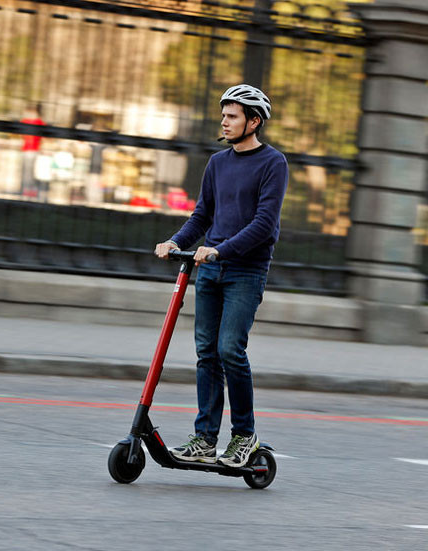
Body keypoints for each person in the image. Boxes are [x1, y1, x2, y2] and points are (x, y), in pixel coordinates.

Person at [154, 84, 288, 468]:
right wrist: (176, 240)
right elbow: (203, 214)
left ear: (254, 121)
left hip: (245, 270)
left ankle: (244, 435)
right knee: (206, 354)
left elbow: (265, 224)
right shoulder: (218, 163)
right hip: (210, 268)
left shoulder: (273, 163)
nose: (224, 122)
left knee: (230, 349)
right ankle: (205, 438)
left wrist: (220, 249)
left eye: (232, 116)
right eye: (224, 115)